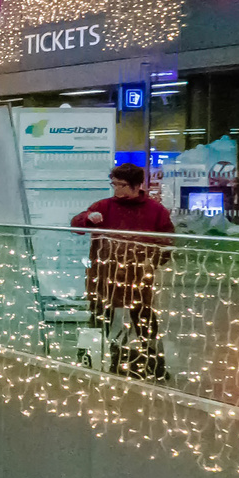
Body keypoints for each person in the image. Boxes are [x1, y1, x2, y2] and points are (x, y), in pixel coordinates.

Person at [70, 162, 175, 379]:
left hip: (138, 277)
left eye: (122, 185)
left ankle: (152, 364)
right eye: (114, 184)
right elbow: (77, 224)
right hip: (104, 275)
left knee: (144, 319)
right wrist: (87, 218)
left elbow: (167, 242)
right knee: (100, 316)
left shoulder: (156, 211)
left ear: (137, 186)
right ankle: (93, 360)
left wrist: (153, 261)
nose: (117, 189)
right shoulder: (104, 206)